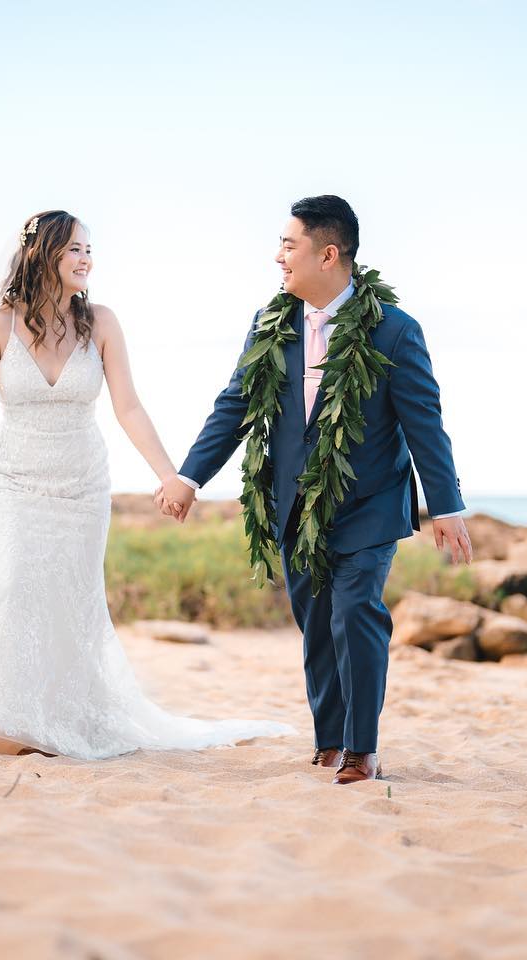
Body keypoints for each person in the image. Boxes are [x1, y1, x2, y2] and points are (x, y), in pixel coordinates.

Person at [0, 209, 294, 760]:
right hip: (14, 481)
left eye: (89, 250)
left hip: (83, 487)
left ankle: (61, 719)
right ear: (43, 253)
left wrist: (171, 475)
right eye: (75, 250)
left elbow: (129, 407)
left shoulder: (103, 323)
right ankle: (0, 716)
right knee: (13, 588)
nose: (87, 259)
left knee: (71, 600)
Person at [156, 195, 471, 784]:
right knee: (317, 621)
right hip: (295, 506)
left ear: (328, 255)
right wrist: (190, 475)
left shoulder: (395, 332)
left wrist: (447, 506)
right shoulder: (270, 323)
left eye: (287, 244)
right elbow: (236, 404)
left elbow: (425, 424)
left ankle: (361, 749)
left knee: (356, 613)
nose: (278, 255)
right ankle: (330, 739)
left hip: (371, 504)